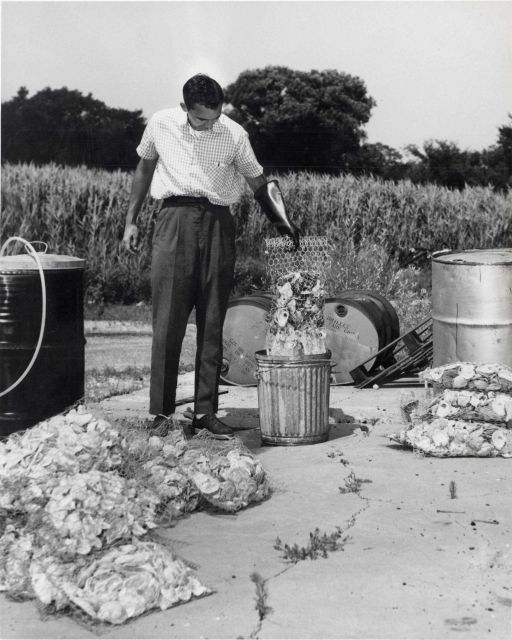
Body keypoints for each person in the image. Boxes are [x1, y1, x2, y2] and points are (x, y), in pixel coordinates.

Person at [122, 73, 300, 439]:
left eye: (215, 116)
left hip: (219, 223)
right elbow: (144, 168)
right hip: (172, 220)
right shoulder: (160, 123)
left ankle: (205, 412)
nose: (209, 124)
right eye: (202, 118)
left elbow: (257, 180)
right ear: (185, 107)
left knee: (213, 320)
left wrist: (282, 220)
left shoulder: (234, 134)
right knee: (167, 322)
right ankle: (160, 413)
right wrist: (130, 221)